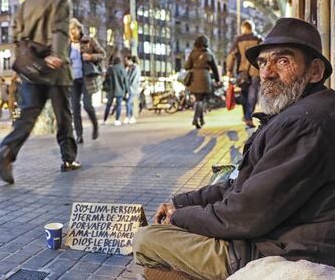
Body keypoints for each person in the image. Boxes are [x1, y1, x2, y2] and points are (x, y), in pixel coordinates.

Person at [133, 18, 335, 279]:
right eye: (263, 62)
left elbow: (247, 214)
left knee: (146, 239)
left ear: (315, 71)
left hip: (282, 249)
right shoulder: (301, 112)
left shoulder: (304, 122)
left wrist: (179, 217)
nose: (267, 73)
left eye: (282, 61)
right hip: (277, 235)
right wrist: (181, 203)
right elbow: (241, 184)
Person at [0, 0, 80, 184]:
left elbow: (15, 35)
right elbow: (60, 30)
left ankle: (8, 150)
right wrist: (57, 55)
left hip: (31, 71)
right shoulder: (60, 1)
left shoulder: (25, 4)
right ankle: (68, 159)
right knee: (64, 116)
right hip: (56, 71)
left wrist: (28, 53)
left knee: (27, 115)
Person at [69, 18, 105, 144]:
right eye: (69, 30)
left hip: (86, 78)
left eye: (74, 29)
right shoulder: (66, 45)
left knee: (87, 105)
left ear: (79, 29)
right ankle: (79, 135)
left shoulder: (89, 41)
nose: (72, 32)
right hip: (73, 79)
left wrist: (91, 57)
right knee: (75, 107)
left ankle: (95, 125)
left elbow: (102, 54)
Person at [227, 20, 262, 128]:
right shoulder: (258, 38)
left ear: (244, 28)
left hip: (242, 70)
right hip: (255, 69)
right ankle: (248, 116)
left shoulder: (238, 39)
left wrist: (229, 70)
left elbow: (231, 55)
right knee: (253, 93)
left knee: (244, 93)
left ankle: (246, 116)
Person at [184, 35, 220, 129]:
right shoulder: (209, 53)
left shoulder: (192, 53)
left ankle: (200, 118)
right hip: (205, 77)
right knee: (201, 99)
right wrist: (217, 79)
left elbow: (187, 66)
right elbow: (215, 68)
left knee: (198, 99)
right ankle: (196, 119)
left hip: (194, 78)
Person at [103, 55, 129, 126]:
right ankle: (117, 120)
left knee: (108, 105)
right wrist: (127, 91)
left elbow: (106, 79)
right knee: (118, 105)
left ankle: (105, 119)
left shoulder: (110, 69)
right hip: (120, 90)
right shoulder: (122, 69)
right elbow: (125, 81)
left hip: (111, 90)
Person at [123, 55, 141, 124]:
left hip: (133, 89)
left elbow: (133, 79)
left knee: (128, 103)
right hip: (130, 88)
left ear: (130, 60)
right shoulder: (130, 68)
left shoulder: (136, 68)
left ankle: (129, 117)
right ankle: (131, 117)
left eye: (126, 60)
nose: (126, 62)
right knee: (129, 103)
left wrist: (129, 87)